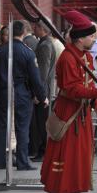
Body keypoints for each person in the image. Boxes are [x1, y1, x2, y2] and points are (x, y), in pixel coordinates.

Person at [40, 11, 97, 193]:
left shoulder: (86, 58)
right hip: (69, 112)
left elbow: (86, 84)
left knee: (78, 155)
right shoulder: (68, 59)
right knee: (70, 156)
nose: (94, 39)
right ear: (80, 38)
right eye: (91, 36)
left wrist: (96, 104)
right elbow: (72, 89)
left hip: (82, 112)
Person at [0, 20, 48, 170]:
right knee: (22, 127)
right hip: (22, 93)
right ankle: (22, 161)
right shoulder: (27, 52)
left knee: (2, 126)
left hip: (5, 91)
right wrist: (42, 96)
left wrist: (0, 93)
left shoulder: (1, 51)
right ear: (23, 32)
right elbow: (35, 79)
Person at [30, 20, 57, 161]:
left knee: (41, 122)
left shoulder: (45, 45)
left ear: (42, 29)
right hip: (43, 89)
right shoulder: (44, 43)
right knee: (40, 121)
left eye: (36, 27)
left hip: (43, 89)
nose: (34, 29)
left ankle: (43, 150)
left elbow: (43, 72)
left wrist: (38, 93)